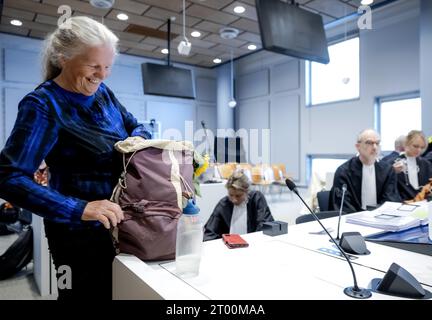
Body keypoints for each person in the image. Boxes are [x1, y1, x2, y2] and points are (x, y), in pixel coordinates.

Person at [0, 16, 151, 300]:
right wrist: (79, 208)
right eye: (94, 66)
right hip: (75, 237)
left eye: (107, 66)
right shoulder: (43, 105)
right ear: (63, 59)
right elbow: (8, 177)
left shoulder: (103, 93)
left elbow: (137, 125)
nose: (102, 74)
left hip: (119, 226)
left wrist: (138, 139)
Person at [331, 129, 400, 213]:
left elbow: (391, 200)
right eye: (369, 143)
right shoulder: (344, 172)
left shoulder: (388, 170)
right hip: (352, 221)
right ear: (358, 147)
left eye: (377, 143)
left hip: (381, 219)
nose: (374, 147)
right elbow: (343, 205)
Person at [203, 171, 274, 241]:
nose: (234, 200)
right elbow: (211, 231)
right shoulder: (223, 204)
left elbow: (264, 225)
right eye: (231, 195)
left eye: (238, 196)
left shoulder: (257, 199)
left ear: (247, 192)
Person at [394, 130, 432, 201]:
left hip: (424, 203)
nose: (419, 150)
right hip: (402, 204)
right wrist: (392, 171)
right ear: (406, 144)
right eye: (415, 146)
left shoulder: (427, 165)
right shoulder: (393, 164)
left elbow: (429, 186)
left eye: (422, 147)